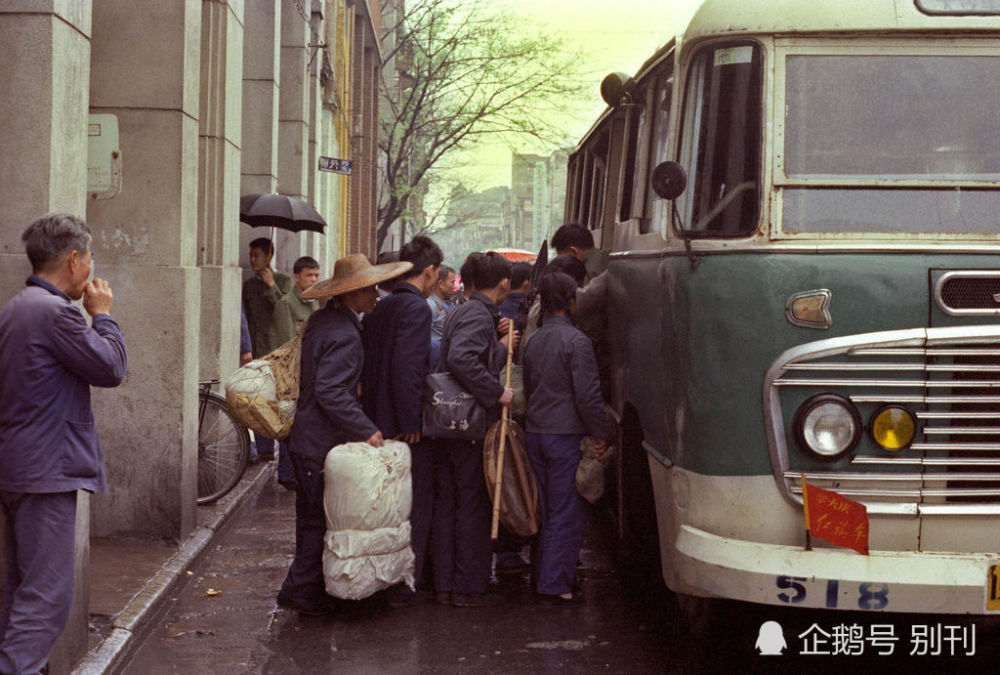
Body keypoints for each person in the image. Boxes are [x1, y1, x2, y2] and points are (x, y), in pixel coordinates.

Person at [0, 213, 127, 672]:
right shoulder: (55, 314)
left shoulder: (17, 307)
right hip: (45, 469)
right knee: (47, 597)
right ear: (74, 259)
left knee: (21, 588)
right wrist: (104, 316)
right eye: (89, 258)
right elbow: (111, 368)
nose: (92, 271)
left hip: (20, 465)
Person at [277, 253, 411, 616]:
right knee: (318, 520)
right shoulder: (344, 333)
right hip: (318, 442)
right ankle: (300, 591)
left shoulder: (325, 320)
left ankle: (306, 588)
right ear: (351, 295)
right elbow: (330, 391)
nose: (375, 297)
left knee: (311, 518)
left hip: (306, 440)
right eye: (368, 290)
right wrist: (366, 430)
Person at [431, 251, 517, 607]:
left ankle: (448, 583)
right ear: (504, 284)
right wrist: (497, 389)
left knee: (454, 502)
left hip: (455, 423)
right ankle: (468, 585)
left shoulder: (469, 310)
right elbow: (462, 359)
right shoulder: (477, 314)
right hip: (468, 425)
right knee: (470, 504)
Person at [361, 236, 443, 606]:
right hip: (401, 423)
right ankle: (406, 581)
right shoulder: (417, 309)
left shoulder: (383, 306)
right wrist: (412, 421)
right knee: (414, 504)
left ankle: (386, 579)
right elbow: (407, 369)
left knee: (386, 504)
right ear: (429, 271)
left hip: (376, 416)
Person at [522, 272, 608, 606]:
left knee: (544, 509)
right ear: (571, 301)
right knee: (565, 511)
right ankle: (554, 583)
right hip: (565, 436)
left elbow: (529, 388)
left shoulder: (534, 340)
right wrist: (599, 432)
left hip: (536, 433)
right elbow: (587, 396)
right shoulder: (578, 342)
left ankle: (544, 574)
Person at [272, 256, 321, 490]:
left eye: (316, 275)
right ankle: (287, 474)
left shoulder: (315, 302)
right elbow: (286, 344)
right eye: (309, 275)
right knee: (289, 422)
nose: (313, 279)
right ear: (296, 276)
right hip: (292, 373)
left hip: (310, 372)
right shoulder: (286, 304)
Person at [242, 237, 292, 462]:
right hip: (255, 349)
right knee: (259, 400)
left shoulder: (284, 281)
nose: (252, 260)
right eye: (251, 255)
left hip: (276, 350)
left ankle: (282, 449)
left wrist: (272, 285)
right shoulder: (249, 286)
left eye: (257, 255)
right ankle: (263, 448)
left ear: (268, 256)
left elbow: (285, 311)